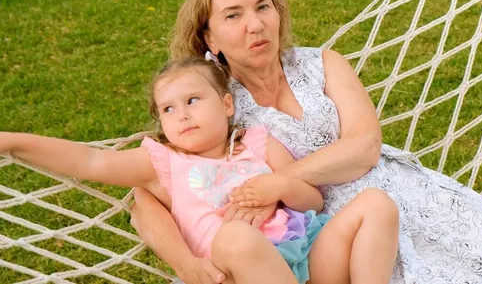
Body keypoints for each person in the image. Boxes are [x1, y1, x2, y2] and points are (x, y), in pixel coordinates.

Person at [130, 0, 482, 284]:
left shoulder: (322, 63)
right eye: (233, 15)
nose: (256, 24)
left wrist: (278, 184)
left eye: (263, 7)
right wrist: (187, 266)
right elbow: (145, 195)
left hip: (408, 197)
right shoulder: (211, 105)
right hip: (337, 235)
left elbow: (365, 146)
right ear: (209, 38)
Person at [0, 56, 400, 284]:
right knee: (235, 238)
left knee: (377, 205)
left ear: (227, 105)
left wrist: (279, 184)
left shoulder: (256, 142)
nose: (182, 115)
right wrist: (13, 141)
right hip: (245, 273)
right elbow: (88, 160)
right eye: (169, 109)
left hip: (307, 255)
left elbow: (313, 199)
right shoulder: (162, 163)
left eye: (193, 100)